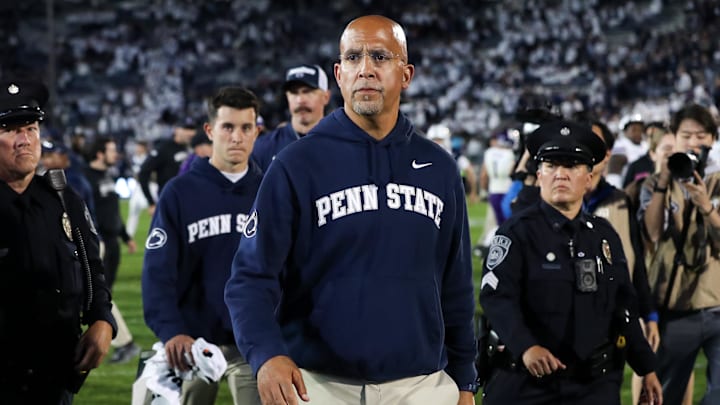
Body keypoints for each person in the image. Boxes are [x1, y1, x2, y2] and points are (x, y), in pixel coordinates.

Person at [225, 15, 477, 405]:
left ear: (405, 74)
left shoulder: (439, 167)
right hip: (318, 385)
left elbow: (456, 286)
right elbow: (250, 278)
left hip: (422, 386)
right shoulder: (296, 164)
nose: (366, 70)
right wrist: (267, 353)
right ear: (339, 75)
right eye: (354, 57)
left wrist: (464, 379)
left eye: (380, 56)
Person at [479, 119, 662, 405]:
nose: (560, 175)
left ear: (588, 178)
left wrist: (646, 367)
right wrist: (526, 347)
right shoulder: (515, 234)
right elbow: (497, 299)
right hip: (527, 386)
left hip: (593, 388)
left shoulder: (604, 236)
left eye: (572, 166)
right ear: (539, 175)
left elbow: (623, 306)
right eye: (551, 166)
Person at [142, 87, 264, 404]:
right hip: (193, 342)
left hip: (255, 342)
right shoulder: (179, 192)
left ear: (257, 132)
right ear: (210, 130)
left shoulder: (271, 191)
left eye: (245, 128)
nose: (237, 137)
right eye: (228, 127)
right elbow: (158, 272)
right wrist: (171, 331)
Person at [0, 79, 116, 403]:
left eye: (31, 128)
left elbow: (93, 269)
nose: (25, 139)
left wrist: (102, 319)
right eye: (10, 130)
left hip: (54, 383)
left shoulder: (65, 201)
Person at [640, 103, 720, 404]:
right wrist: (663, 180)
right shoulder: (655, 183)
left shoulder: (718, 179)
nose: (694, 142)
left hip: (717, 301)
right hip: (675, 306)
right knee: (667, 394)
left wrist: (706, 206)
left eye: (701, 135)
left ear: (712, 139)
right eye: (686, 135)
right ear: (674, 137)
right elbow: (652, 235)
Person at [84, 137, 140, 364]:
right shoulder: (86, 178)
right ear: (99, 153)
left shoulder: (107, 175)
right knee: (99, 294)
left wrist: (126, 237)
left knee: (105, 295)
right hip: (99, 243)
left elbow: (114, 212)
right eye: (111, 150)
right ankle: (124, 342)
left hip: (113, 244)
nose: (115, 154)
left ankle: (123, 343)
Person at [251, 63, 331, 172]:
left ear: (326, 97)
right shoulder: (263, 148)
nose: (300, 100)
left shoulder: (343, 144)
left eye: (307, 91)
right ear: (287, 97)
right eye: (293, 93)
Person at [138, 117, 195, 216]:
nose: (190, 133)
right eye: (186, 129)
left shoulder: (192, 148)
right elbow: (143, 172)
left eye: (192, 129)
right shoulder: (163, 148)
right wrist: (151, 202)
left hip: (188, 201)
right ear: (176, 129)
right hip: (169, 202)